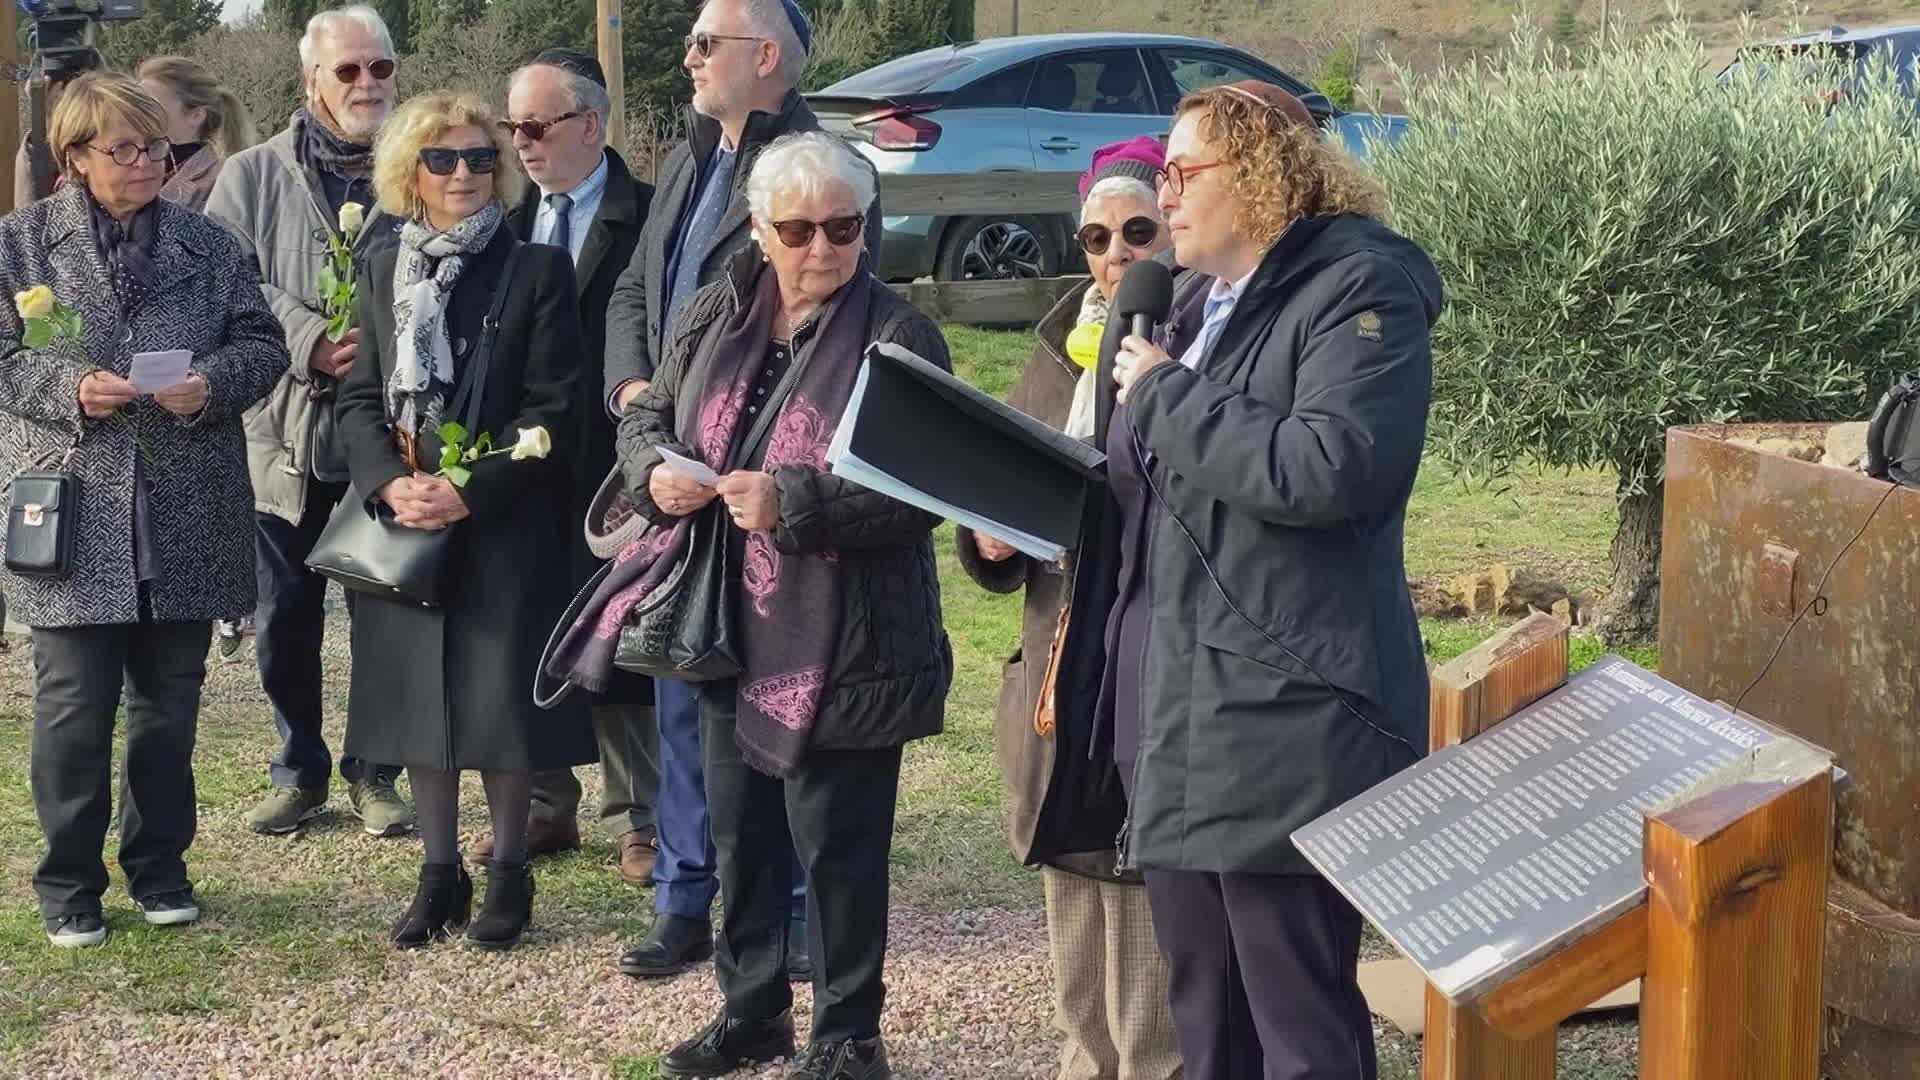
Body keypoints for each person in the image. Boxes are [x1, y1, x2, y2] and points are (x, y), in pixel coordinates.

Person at [551, 131, 950, 1080]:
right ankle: (753, 1011)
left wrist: (793, 502)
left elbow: (926, 488)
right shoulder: (715, 307)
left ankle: (850, 1037)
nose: (822, 249)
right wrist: (657, 469)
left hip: (850, 636)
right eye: (800, 228)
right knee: (743, 836)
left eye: (844, 228)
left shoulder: (899, 333)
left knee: (841, 849)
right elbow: (647, 411)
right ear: (763, 230)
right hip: (725, 619)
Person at [1084, 80, 1441, 1079]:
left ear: (1268, 175)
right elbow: (1149, 483)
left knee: (1295, 1016)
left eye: (1184, 171)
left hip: (1288, 710)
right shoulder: (1194, 302)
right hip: (1174, 702)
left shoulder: (1361, 290)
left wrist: (1165, 393)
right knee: (1205, 1008)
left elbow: (1331, 467)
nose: (1167, 193)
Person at [602, 0, 879, 982]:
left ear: (764, 56)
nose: (686, 54)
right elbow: (639, 288)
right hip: (675, 454)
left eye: (704, 41)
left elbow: (835, 325)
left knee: (774, 704)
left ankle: (788, 913)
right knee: (685, 680)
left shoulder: (820, 171)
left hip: (767, 475)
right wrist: (634, 392)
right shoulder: (690, 154)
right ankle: (685, 899)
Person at [0, 72, 290, 947]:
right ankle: (68, 884)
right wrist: (69, 384)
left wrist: (210, 386)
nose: (145, 163)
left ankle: (160, 866)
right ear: (76, 157)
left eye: (156, 147)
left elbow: (263, 345)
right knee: (73, 705)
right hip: (73, 497)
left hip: (187, 497)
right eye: (123, 148)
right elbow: (7, 356)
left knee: (170, 702)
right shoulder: (20, 245)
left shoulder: (211, 243)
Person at [336, 90, 594, 951]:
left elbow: (555, 407)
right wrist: (387, 482)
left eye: (481, 158)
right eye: (443, 159)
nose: (465, 175)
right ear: (410, 171)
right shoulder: (382, 267)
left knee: (498, 706)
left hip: (504, 519)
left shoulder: (536, 271)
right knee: (418, 700)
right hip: (406, 519)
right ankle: (438, 874)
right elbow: (361, 397)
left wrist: (471, 489)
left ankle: (510, 873)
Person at [957, 136, 1183, 1080]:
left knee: (1143, 928)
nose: (1116, 254)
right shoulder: (1058, 343)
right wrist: (988, 536)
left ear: (1171, 227)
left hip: (1142, 651)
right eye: (1095, 235)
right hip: (1055, 655)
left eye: (1137, 231)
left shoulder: (1193, 340)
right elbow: (998, 484)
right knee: (1074, 932)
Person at [205, 3, 414, 840]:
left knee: (384, 606)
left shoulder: (422, 163)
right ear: (311, 80)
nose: (368, 85)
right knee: (285, 612)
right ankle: (299, 771)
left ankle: (377, 773)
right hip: (283, 432)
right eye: (349, 70)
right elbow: (224, 280)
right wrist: (310, 337)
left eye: (382, 68)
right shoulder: (251, 174)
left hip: (391, 427)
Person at [489, 47, 664, 887]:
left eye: (536, 125)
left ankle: (642, 819)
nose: (520, 143)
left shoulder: (654, 217)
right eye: (511, 126)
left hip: (616, 459)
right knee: (534, 627)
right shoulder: (504, 224)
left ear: (590, 125)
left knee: (625, 635)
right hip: (525, 464)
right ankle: (545, 804)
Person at [138, 56, 257, 213]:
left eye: (152, 105)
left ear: (196, 116)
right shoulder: (127, 161)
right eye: (136, 102)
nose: (137, 112)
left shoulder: (222, 181)